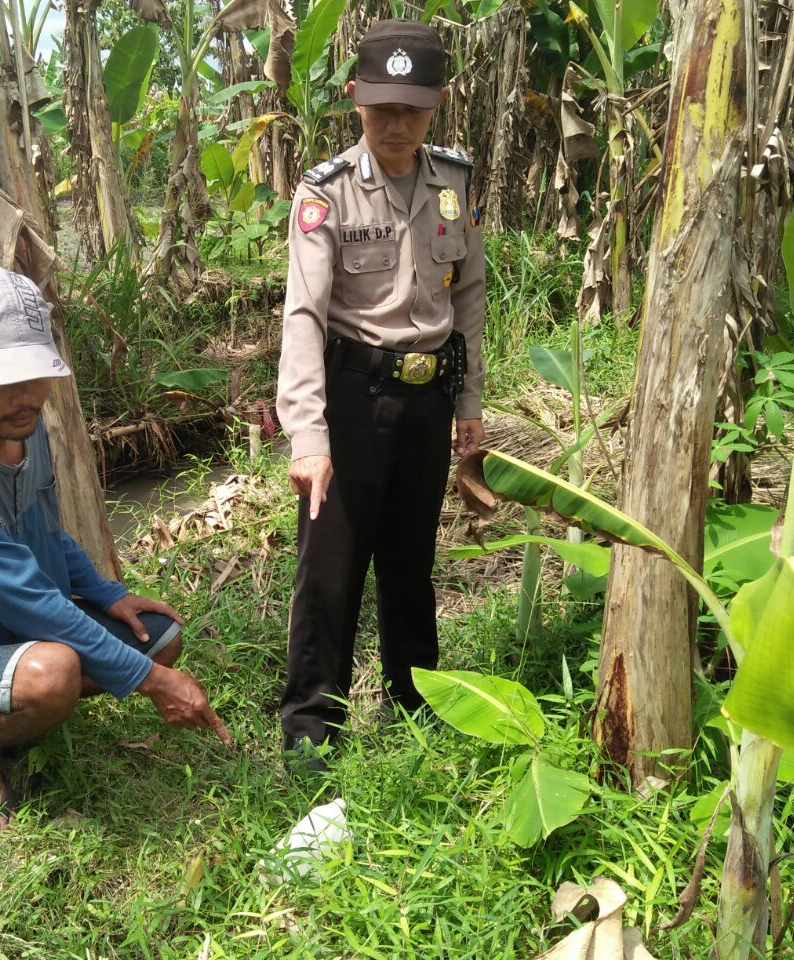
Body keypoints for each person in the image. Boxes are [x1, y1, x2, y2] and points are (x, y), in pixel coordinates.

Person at [0, 263, 231, 828]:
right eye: (4, 378)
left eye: (35, 374)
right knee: (56, 672)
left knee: (159, 638)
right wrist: (154, 685)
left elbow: (50, 532)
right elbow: (34, 604)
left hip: (7, 636)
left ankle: (15, 704)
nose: (28, 396)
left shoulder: (23, 429)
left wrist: (108, 595)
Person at [276, 19, 486, 765]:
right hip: (351, 399)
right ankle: (309, 732)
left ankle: (417, 709)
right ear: (354, 100)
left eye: (413, 108)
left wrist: (469, 407)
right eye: (381, 108)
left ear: (438, 104)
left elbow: (469, 301)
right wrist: (307, 435)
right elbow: (302, 315)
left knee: (409, 565)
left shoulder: (454, 181)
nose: (396, 125)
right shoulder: (325, 193)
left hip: (428, 401)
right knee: (330, 572)